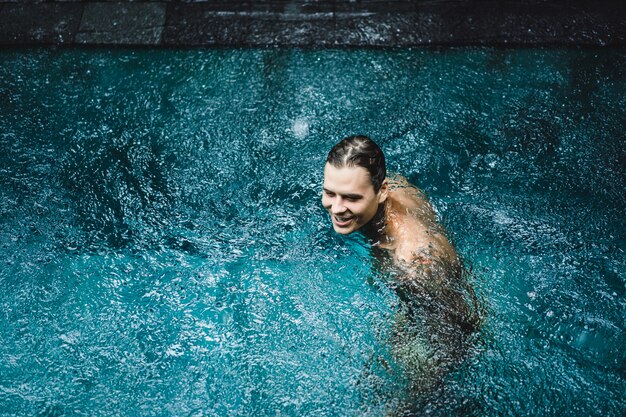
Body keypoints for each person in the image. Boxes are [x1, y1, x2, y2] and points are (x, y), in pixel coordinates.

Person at [322, 135, 481, 402]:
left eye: (351, 198)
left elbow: (453, 343)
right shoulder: (386, 181)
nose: (336, 208)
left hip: (444, 317)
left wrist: (405, 406)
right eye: (329, 193)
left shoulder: (412, 262)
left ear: (381, 191)